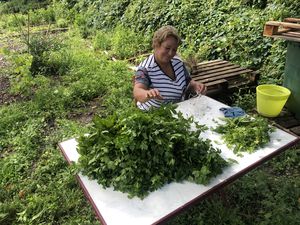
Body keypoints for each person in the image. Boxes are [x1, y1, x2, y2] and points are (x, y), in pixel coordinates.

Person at [133, 25, 207, 111]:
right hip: (154, 115)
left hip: (178, 110)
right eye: (167, 48)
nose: (170, 53)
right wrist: (147, 94)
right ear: (156, 45)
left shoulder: (178, 63)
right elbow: (138, 91)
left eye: (174, 50)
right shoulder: (146, 68)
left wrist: (195, 86)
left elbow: (188, 81)